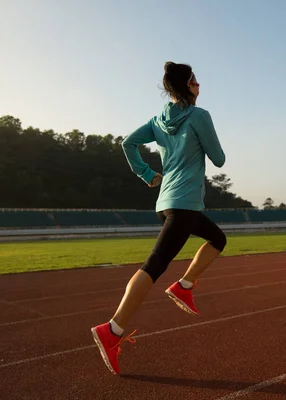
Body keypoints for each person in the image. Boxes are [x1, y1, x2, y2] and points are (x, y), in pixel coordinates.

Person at [91, 61, 227, 375]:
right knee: (154, 265)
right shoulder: (199, 115)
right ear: (188, 86)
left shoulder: (157, 120)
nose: (199, 86)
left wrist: (147, 174)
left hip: (168, 202)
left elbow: (128, 143)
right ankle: (112, 329)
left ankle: (185, 285)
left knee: (217, 239)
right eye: (196, 81)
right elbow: (219, 159)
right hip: (185, 204)